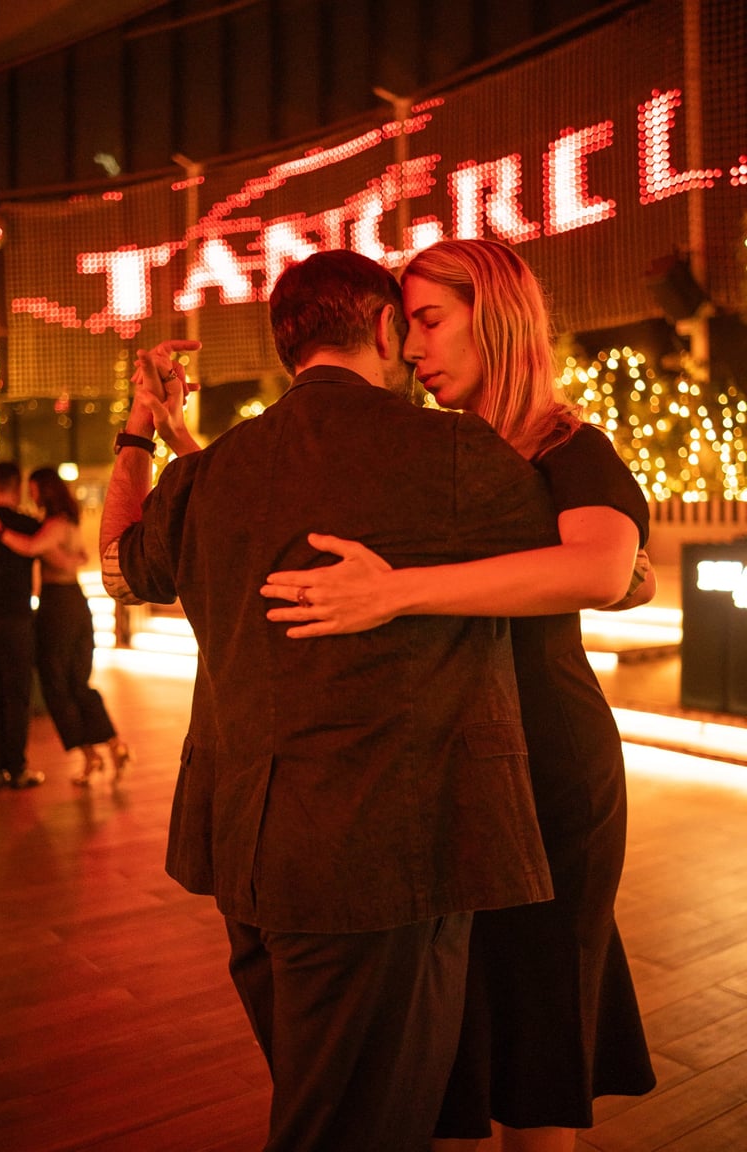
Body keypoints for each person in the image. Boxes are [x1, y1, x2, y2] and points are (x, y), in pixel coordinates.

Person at [97, 251, 563, 1152]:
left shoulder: (215, 472)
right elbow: (605, 566)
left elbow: (118, 565)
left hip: (247, 852)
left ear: (288, 350)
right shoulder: (451, 452)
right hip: (381, 858)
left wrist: (142, 428)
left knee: (339, 1104)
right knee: (349, 1129)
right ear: (384, 329)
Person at [260, 239, 657, 1152]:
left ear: (499, 314)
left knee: (535, 1042)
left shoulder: (568, 444)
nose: (410, 349)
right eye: (409, 328)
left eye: (431, 321)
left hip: (548, 765)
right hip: (450, 767)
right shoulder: (442, 453)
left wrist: (398, 591)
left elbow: (602, 569)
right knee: (451, 1038)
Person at [0, 467, 130, 785]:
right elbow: (70, 558)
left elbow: (37, 549)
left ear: (43, 491)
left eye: (34, 491)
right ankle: (107, 747)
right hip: (64, 605)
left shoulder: (50, 525)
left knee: (56, 686)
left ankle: (94, 753)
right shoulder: (55, 523)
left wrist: (0, 533)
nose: (30, 497)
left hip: (59, 608)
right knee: (71, 683)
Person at [0, 461, 45, 789]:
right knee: (17, 697)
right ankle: (17, 769)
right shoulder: (28, 524)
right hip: (16, 620)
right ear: (17, 486)